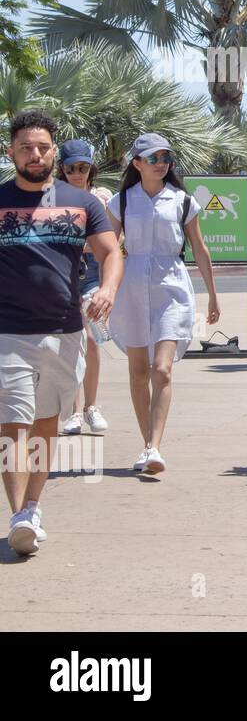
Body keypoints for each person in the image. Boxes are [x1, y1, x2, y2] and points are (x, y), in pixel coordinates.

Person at [1, 110, 122, 555]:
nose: (35, 155)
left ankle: (33, 507)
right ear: (11, 152)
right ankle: (18, 514)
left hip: (65, 329)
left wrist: (107, 288)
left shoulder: (82, 203)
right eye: (26, 147)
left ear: (55, 150)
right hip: (7, 331)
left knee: (45, 421)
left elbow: (112, 253)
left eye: (43, 147)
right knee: (12, 423)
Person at [106, 133, 219, 476]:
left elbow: (199, 247)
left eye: (166, 157)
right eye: (153, 158)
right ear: (137, 163)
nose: (161, 164)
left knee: (162, 370)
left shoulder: (182, 201)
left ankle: (155, 445)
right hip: (132, 288)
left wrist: (213, 293)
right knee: (139, 372)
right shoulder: (121, 202)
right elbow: (107, 248)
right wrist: (103, 290)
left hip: (172, 287)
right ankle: (147, 445)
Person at [57, 139, 114, 436]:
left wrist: (108, 287)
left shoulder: (101, 198)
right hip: (63, 277)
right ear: (62, 169)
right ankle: (73, 410)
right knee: (71, 344)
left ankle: (90, 406)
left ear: (91, 167)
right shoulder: (53, 198)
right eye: (71, 168)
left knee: (90, 340)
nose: (77, 173)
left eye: (83, 167)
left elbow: (111, 246)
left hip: (91, 276)